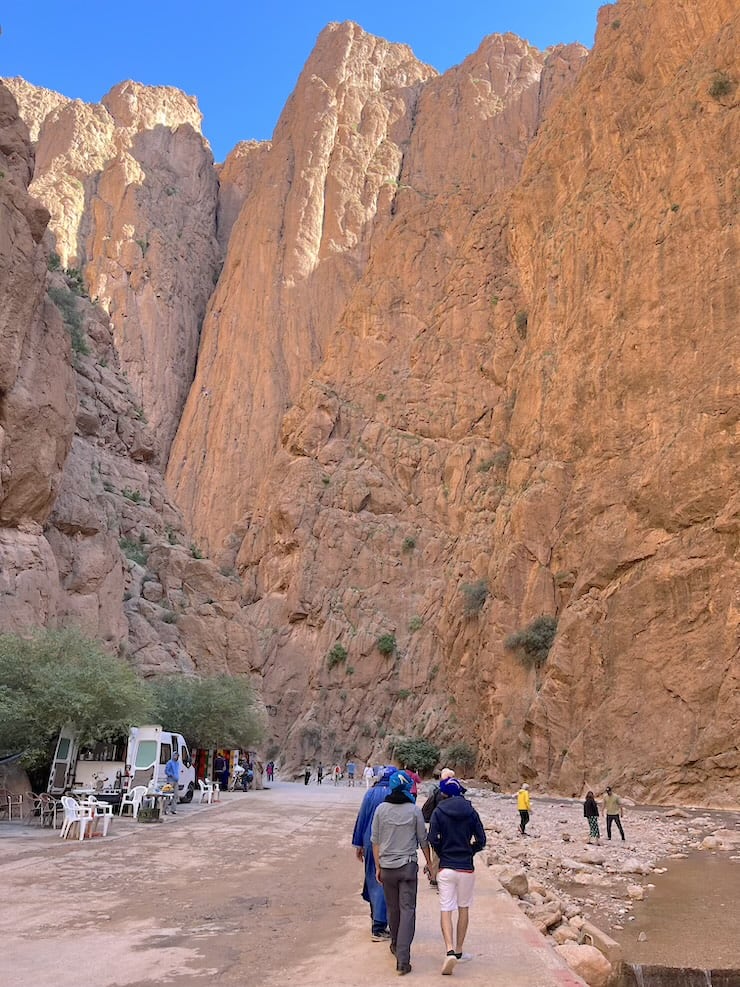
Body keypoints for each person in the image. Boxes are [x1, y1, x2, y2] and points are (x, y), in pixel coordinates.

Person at [371, 771, 432, 976]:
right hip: (407, 868)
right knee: (407, 911)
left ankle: (396, 945)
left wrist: (378, 867)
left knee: (393, 909)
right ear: (407, 788)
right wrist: (430, 864)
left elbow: (375, 840)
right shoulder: (414, 811)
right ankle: (403, 960)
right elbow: (423, 840)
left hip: (387, 868)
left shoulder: (381, 809)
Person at [428, 778, 487, 975]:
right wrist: (470, 850)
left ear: (443, 794)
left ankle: (449, 950)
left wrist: (443, 851)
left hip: (446, 867)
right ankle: (460, 951)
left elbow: (432, 839)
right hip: (466, 868)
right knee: (463, 908)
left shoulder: (439, 811)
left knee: (446, 908)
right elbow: (482, 839)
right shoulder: (471, 811)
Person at [352, 765, 395, 942]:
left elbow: (362, 817)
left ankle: (375, 919)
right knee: (386, 883)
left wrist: (358, 844)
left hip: (369, 841)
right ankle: (379, 926)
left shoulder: (370, 793)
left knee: (372, 879)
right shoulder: (395, 794)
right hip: (389, 844)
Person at [421, 769, 462, 887]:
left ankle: (434, 877)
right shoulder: (456, 794)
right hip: (452, 829)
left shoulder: (437, 792)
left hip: (437, 826)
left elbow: (426, 810)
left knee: (437, 853)